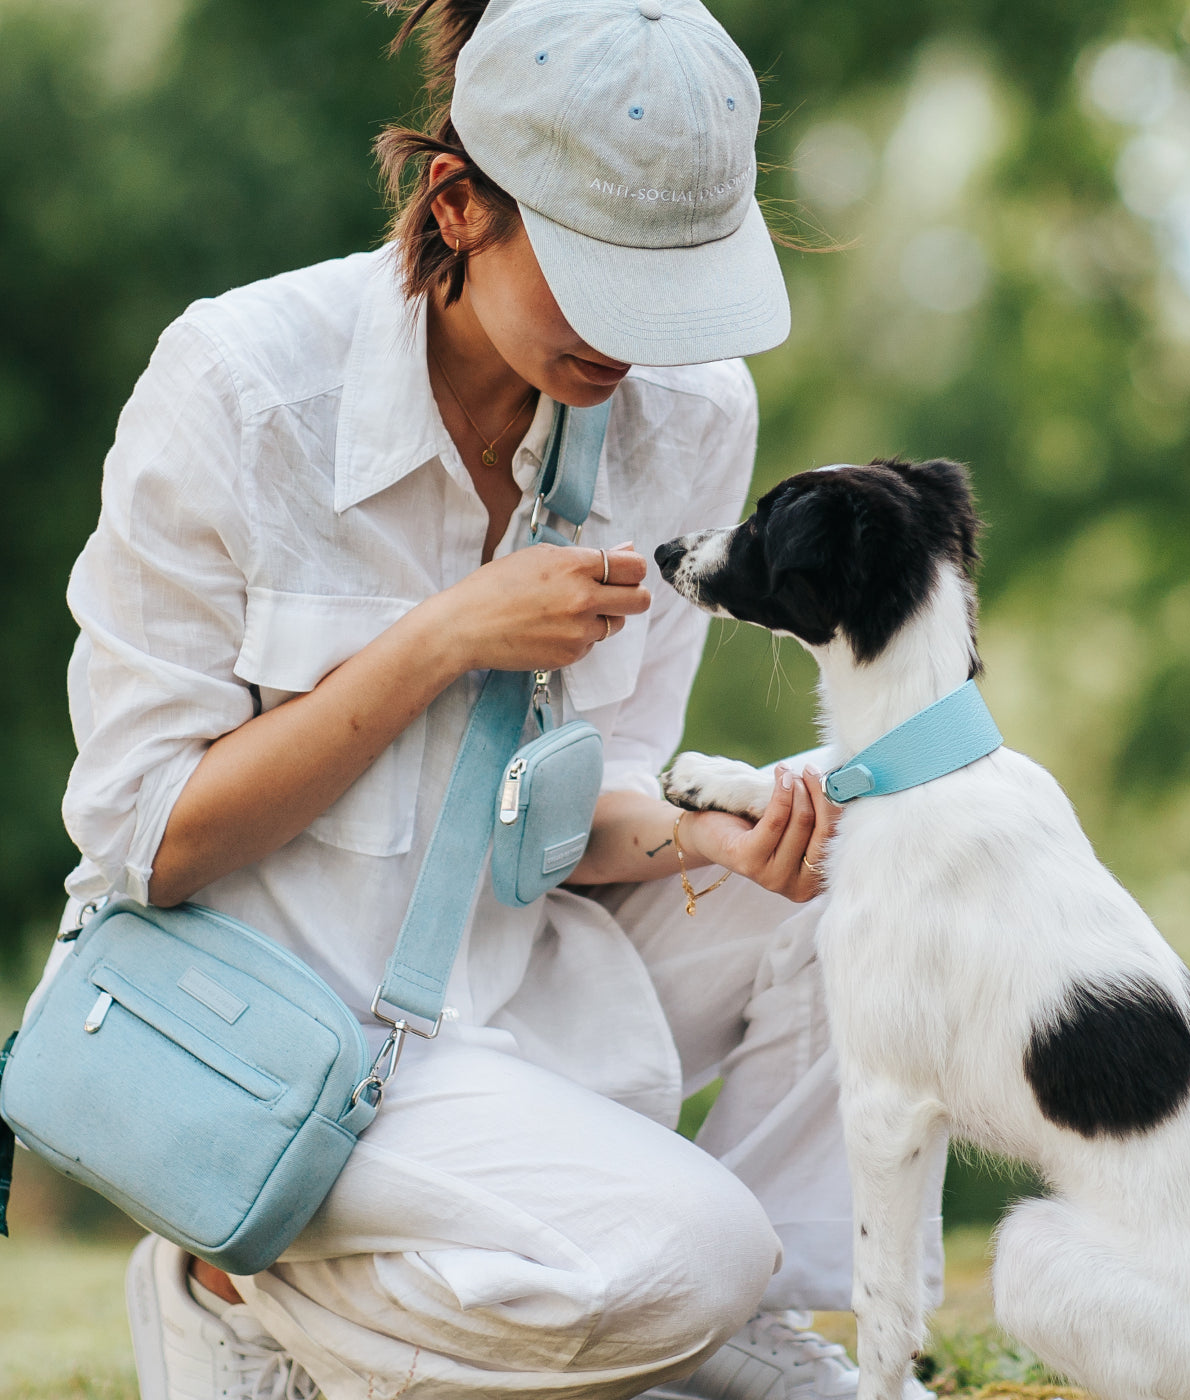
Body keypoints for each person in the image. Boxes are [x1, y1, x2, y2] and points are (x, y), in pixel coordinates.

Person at [49, 1, 947, 1397]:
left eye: (674, 286)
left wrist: (705, 833)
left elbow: (578, 814)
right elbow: (146, 841)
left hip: (511, 979)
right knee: (691, 1256)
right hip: (275, 1025)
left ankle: (738, 1335)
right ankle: (230, 1284)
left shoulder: (691, 417)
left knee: (877, 884)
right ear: (461, 206)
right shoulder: (239, 387)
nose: (638, 341)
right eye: (603, 279)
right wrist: (438, 641)